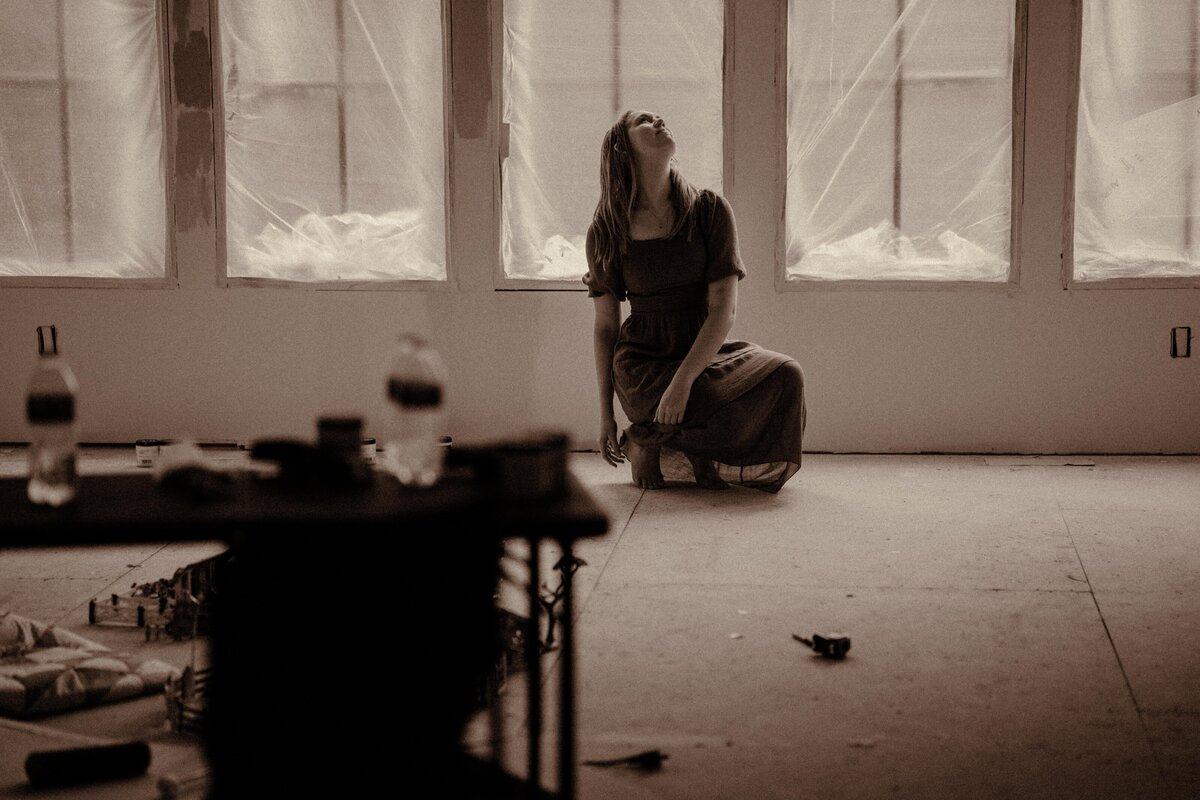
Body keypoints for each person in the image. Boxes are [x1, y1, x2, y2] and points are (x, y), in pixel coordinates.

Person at [585, 109, 807, 492]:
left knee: (786, 375)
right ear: (623, 148)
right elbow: (606, 327)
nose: (659, 120)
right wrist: (605, 413)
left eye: (659, 116)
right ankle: (660, 440)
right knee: (686, 400)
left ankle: (648, 437)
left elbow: (725, 309)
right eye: (644, 120)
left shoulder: (709, 210)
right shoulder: (607, 229)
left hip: (704, 355)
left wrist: (684, 382)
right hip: (643, 366)